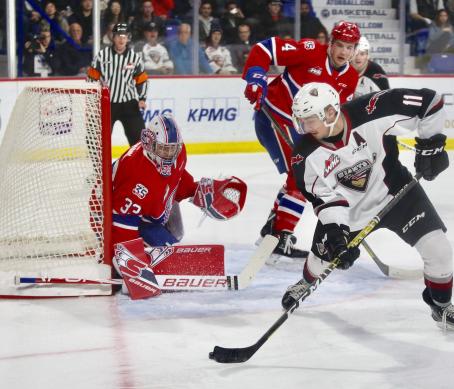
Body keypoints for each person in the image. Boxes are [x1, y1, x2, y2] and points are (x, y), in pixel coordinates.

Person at [282, 82, 454, 333]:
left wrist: (432, 146)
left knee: (439, 249)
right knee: (321, 261)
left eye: (310, 120)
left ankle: (442, 307)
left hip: (398, 193)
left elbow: (431, 102)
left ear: (331, 113)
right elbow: (325, 199)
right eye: (301, 121)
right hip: (349, 211)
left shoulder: (374, 109)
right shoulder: (304, 156)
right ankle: (305, 283)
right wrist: (337, 235)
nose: (305, 128)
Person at [241, 21, 361, 259]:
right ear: (330, 43)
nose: (344, 52)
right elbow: (264, 49)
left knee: (300, 177)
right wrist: (255, 78)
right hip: (274, 117)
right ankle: (280, 234)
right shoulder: (309, 51)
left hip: (304, 129)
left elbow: (335, 116)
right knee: (301, 176)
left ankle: (273, 230)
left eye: (350, 47)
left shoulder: (351, 78)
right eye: (340, 45)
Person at [111, 112, 247, 249]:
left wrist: (194, 190)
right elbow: (123, 222)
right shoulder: (135, 174)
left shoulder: (179, 152)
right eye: (164, 150)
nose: (169, 156)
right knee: (168, 247)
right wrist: (129, 255)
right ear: (149, 144)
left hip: (145, 206)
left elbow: (175, 177)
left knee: (176, 232)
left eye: (172, 149)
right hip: (115, 215)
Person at [87, 23, 147, 146]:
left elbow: (141, 79)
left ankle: (138, 164)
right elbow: (91, 78)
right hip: (106, 103)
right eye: (119, 35)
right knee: (96, 140)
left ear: (128, 38)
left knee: (139, 140)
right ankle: (99, 165)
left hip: (129, 103)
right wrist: (93, 101)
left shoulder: (134, 57)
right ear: (113, 37)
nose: (121, 39)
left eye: (124, 36)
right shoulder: (102, 56)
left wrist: (142, 98)